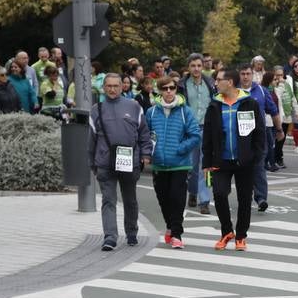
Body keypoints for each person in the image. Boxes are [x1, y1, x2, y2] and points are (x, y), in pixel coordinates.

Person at [202, 67, 265, 251]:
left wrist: (256, 156)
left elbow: (259, 133)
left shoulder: (249, 103)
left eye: (218, 79)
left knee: (245, 199)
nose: (215, 83)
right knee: (220, 194)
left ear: (229, 82)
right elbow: (207, 136)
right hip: (221, 160)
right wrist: (207, 162)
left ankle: (241, 235)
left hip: (245, 160)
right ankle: (227, 231)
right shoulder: (214, 105)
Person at [91, 73, 153, 251]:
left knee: (130, 200)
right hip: (105, 162)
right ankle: (110, 237)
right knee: (108, 200)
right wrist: (92, 163)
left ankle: (132, 232)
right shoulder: (96, 109)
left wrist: (146, 154)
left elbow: (144, 133)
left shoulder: (134, 106)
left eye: (115, 86)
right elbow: (91, 139)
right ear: (103, 88)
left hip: (129, 161)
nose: (112, 89)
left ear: (122, 87)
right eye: (108, 86)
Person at [146, 75, 202, 250]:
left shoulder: (186, 111)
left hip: (180, 163)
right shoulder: (152, 112)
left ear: (176, 89)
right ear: (159, 91)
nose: (169, 91)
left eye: (172, 88)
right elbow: (145, 135)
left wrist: (180, 149)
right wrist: (148, 153)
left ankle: (177, 234)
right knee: (163, 198)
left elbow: (195, 135)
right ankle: (170, 226)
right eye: (165, 88)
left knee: (177, 198)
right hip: (159, 164)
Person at [239, 63, 279, 212]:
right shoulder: (233, 92)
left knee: (259, 167)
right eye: (242, 74)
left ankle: (261, 198)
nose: (245, 77)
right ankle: (245, 195)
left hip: (258, 136)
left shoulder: (261, 91)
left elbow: (273, 111)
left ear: (252, 75)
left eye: (248, 74)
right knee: (242, 168)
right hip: (240, 137)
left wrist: (279, 129)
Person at [181, 53, 215, 214]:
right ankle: (192, 192)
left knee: (204, 166)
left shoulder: (209, 84)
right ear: (188, 67)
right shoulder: (182, 85)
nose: (196, 68)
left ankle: (204, 200)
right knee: (192, 166)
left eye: (199, 65)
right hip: (190, 130)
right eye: (193, 65)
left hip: (207, 129)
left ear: (202, 67)